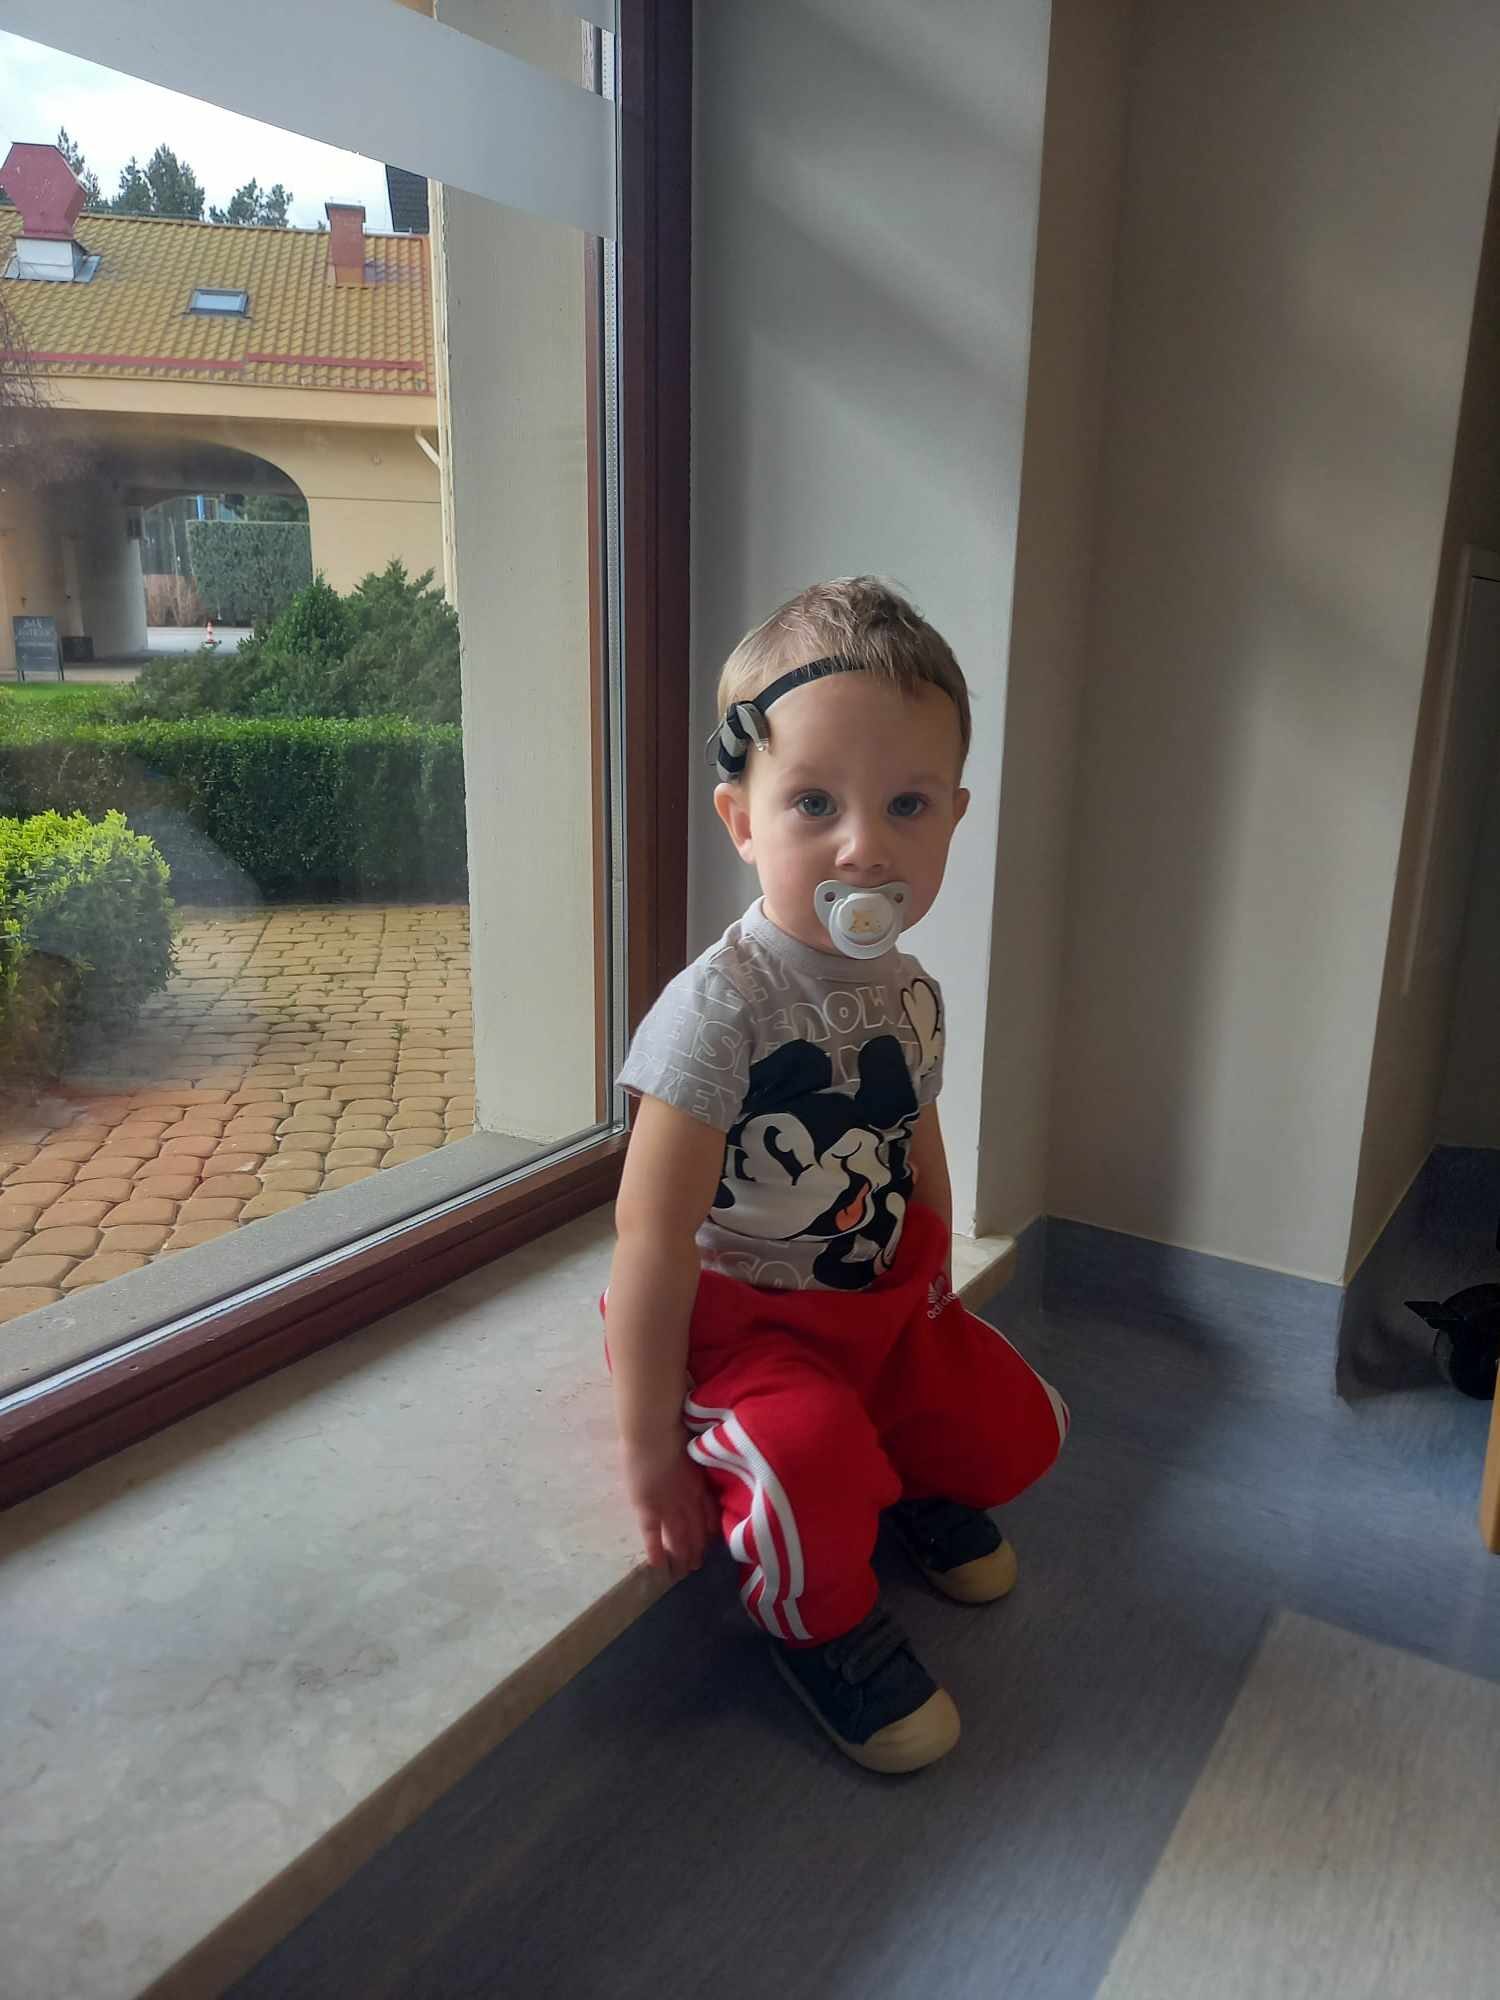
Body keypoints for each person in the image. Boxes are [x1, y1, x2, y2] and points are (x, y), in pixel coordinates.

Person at [604, 577, 1068, 1772]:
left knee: (1015, 1426)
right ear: (741, 817)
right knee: (804, 1459)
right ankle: (824, 1624)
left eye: (907, 803)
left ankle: (907, 1472)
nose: (864, 845)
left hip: (878, 1302)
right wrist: (648, 1445)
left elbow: (916, 1134)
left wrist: (937, 1278)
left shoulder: (910, 990)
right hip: (745, 1326)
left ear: (953, 817)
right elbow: (650, 1235)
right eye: (814, 801)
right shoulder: (721, 1010)